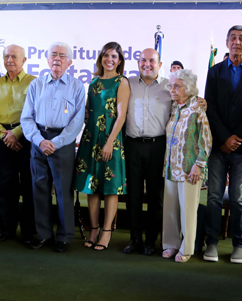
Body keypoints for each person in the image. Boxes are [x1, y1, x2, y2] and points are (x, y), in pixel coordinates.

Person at [203, 25, 242, 264]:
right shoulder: (215, 71)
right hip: (218, 146)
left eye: (241, 38)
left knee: (239, 198)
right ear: (227, 43)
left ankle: (238, 243)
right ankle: (211, 242)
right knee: (214, 197)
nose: (236, 42)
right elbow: (211, 106)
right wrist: (223, 138)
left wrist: (236, 137)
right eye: (232, 38)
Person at [20, 42, 86, 253]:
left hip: (63, 142)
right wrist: (40, 141)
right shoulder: (36, 85)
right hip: (38, 140)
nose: (57, 59)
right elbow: (26, 118)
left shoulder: (76, 86)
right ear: (47, 60)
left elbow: (76, 123)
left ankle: (65, 237)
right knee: (39, 190)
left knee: (63, 191)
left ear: (70, 62)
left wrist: (55, 143)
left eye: (62, 56)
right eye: (53, 55)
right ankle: (44, 235)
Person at [74, 42, 130, 251]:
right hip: (90, 138)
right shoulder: (93, 82)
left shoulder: (121, 82)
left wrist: (109, 143)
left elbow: (121, 115)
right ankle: (94, 229)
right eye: (106, 55)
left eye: (114, 56)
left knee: (110, 187)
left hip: (111, 140)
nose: (109, 60)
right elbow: (89, 111)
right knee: (92, 185)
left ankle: (106, 232)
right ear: (101, 58)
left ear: (120, 60)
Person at [122, 48, 171, 256]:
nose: (147, 64)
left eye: (152, 60)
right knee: (133, 195)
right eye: (143, 60)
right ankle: (135, 239)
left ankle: (151, 241)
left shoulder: (170, 86)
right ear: (138, 63)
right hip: (132, 145)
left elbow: (188, 101)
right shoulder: (128, 84)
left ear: (160, 64)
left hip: (158, 146)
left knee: (155, 197)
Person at [0, 44, 37, 244]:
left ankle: (27, 232)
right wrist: (3, 135)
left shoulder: (34, 82)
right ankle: (6, 230)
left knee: (28, 187)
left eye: (14, 57)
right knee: (3, 187)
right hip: (2, 140)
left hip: (26, 139)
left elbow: (35, 113)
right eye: (6, 56)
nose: (10, 60)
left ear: (24, 60)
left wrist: (16, 134)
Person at [162, 69, 212, 263]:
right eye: (171, 86)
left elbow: (206, 140)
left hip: (190, 168)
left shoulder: (198, 109)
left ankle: (187, 248)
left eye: (177, 86)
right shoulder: (174, 107)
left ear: (189, 88)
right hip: (170, 167)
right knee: (170, 209)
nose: (172, 90)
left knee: (188, 210)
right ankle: (171, 244)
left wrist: (199, 165)